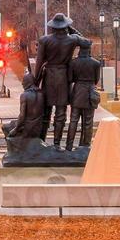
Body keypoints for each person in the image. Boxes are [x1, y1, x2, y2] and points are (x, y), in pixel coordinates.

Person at [31, 14, 82, 148]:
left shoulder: (44, 40)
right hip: (64, 76)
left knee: (46, 110)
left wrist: (36, 80)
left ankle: (40, 141)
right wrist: (71, 29)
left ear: (53, 26)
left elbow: (39, 61)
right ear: (65, 26)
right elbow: (85, 41)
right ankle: (57, 143)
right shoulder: (72, 40)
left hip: (49, 76)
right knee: (61, 112)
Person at [67, 36, 104, 149]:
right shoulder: (96, 63)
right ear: (89, 49)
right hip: (89, 93)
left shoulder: (73, 63)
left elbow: (70, 79)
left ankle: (69, 145)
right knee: (88, 121)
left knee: (73, 120)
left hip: (77, 92)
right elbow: (96, 80)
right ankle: (86, 145)